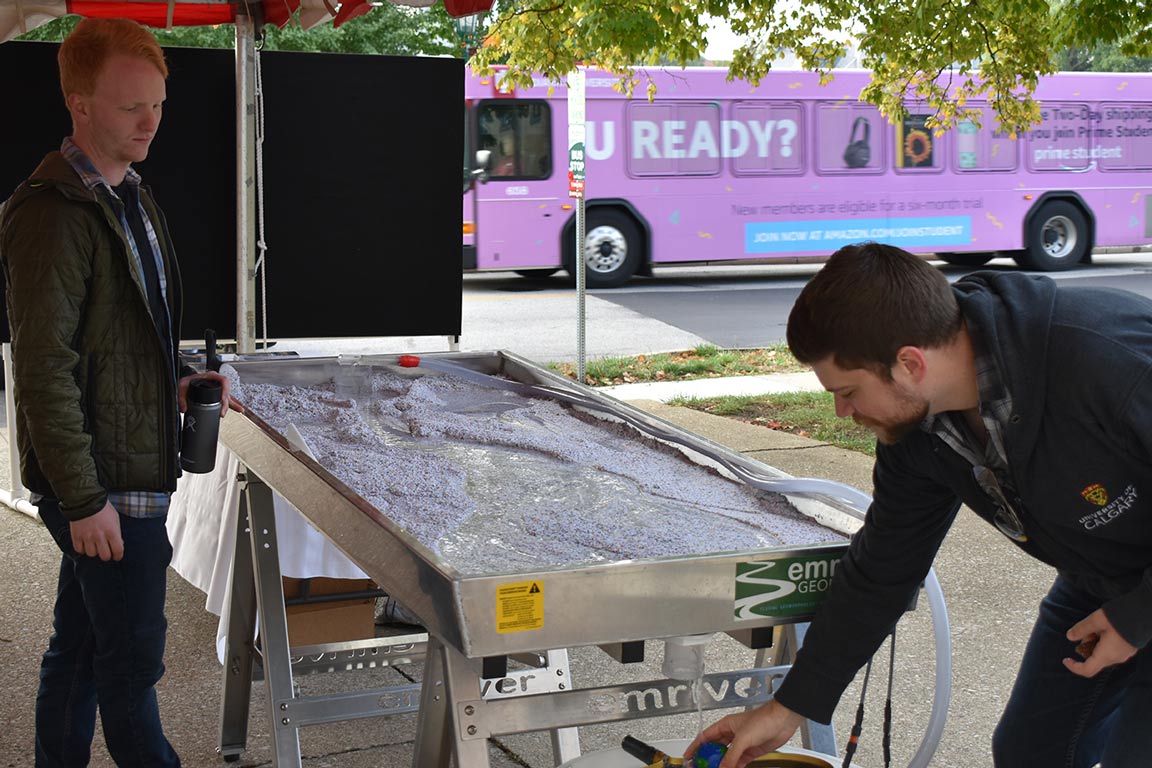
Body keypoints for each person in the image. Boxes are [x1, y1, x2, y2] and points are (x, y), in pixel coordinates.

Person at [686, 242, 1151, 768]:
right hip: (1100, 577)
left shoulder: (1105, 357)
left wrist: (1137, 616)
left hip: (1135, 590)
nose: (842, 412)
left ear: (908, 363)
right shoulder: (919, 434)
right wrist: (789, 707)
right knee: (1030, 753)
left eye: (848, 390)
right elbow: (885, 566)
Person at [0, 18, 239, 767]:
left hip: (126, 466)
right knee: (130, 668)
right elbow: (42, 370)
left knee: (78, 652)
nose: (150, 122)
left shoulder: (128, 195)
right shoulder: (51, 214)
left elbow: (120, 337)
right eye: (131, 105)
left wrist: (173, 384)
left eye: (158, 105)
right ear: (78, 102)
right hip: (107, 487)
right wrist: (83, 499)